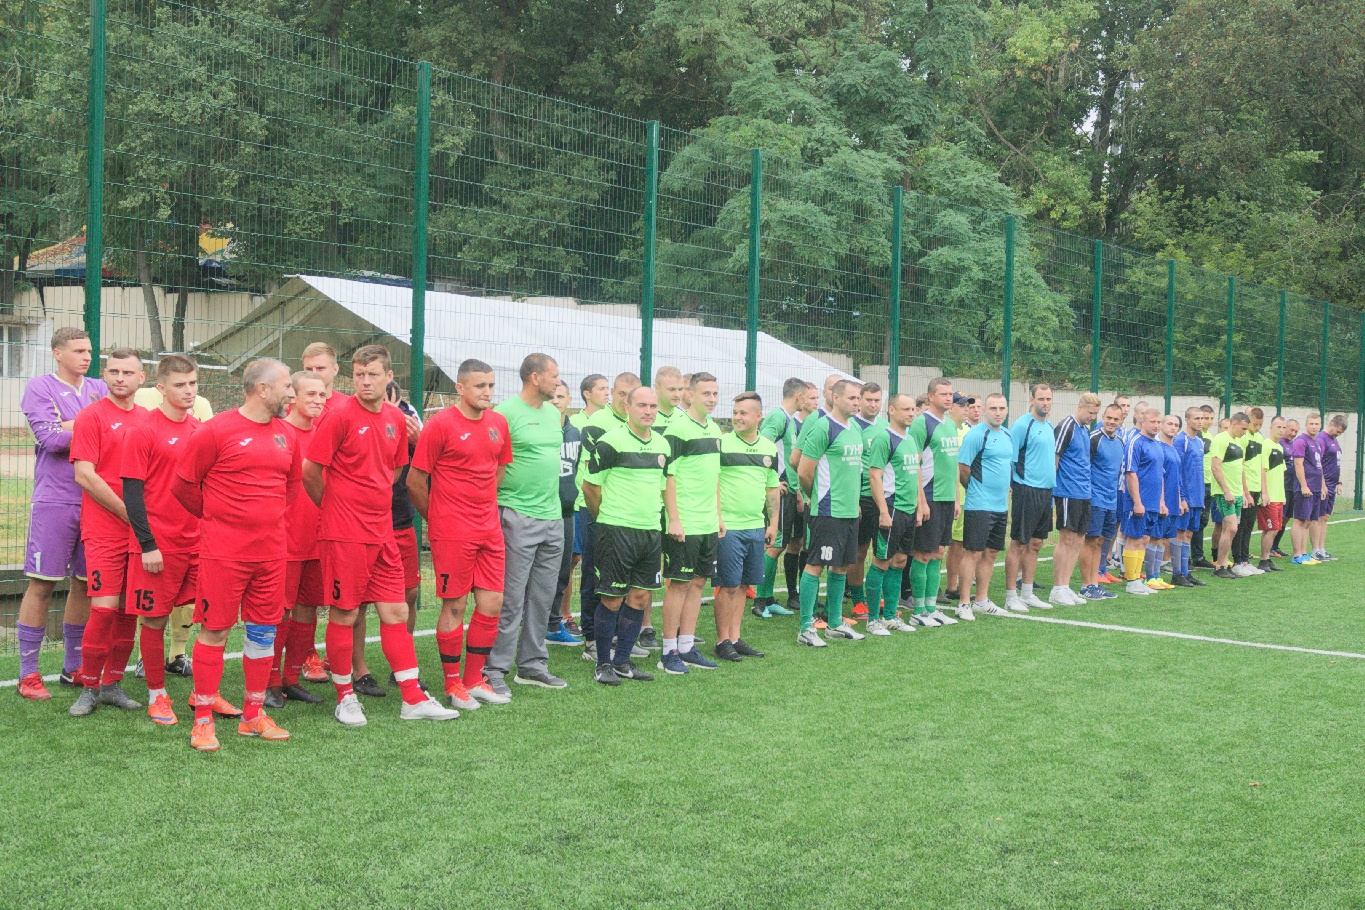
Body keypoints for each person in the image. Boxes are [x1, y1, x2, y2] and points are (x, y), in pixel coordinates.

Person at [307, 346, 456, 726]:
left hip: (383, 531)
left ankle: (412, 698)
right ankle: (345, 697)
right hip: (344, 534)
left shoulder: (395, 418)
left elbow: (396, 469)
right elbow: (310, 471)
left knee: (396, 611)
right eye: (359, 375)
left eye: (372, 374)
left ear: (389, 377)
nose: (365, 381)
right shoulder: (338, 416)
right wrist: (337, 507)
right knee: (345, 613)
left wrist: (371, 499)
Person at [172, 358, 300, 751]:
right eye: (286, 386)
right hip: (224, 554)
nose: (292, 394)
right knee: (215, 630)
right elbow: (183, 486)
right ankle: (203, 720)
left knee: (264, 632)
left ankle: (252, 716)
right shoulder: (216, 430)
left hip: (271, 554)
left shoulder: (288, 435)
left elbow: (291, 489)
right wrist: (220, 519)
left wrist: (263, 522)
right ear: (262, 389)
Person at [407, 358, 515, 713]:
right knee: (454, 605)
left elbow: (498, 470)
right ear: (460, 388)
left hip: (489, 528)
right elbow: (415, 481)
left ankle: (474, 680)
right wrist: (440, 519)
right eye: (480, 386)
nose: (487, 392)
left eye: (491, 385)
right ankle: (453, 684)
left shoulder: (498, 423)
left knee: (492, 603)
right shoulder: (440, 424)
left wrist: (482, 506)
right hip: (453, 531)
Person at [15, 328, 106, 700]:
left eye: (89, 351)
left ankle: (72, 668)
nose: (87, 357)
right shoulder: (40, 387)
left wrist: (71, 425)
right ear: (57, 353)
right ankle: (28, 675)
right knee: (42, 584)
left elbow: (116, 430)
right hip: (55, 500)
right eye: (79, 351)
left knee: (84, 584)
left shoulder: (99, 388)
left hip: (95, 499)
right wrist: (94, 425)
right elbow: (50, 439)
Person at [119, 355, 202, 726]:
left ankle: (205, 693)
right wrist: (147, 544)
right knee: (153, 621)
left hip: (198, 542)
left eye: (192, 383)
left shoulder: (200, 430)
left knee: (211, 618)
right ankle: (157, 695)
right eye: (180, 385)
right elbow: (132, 493)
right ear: (161, 388)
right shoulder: (143, 430)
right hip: (158, 545)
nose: (188, 391)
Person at [67, 348, 147, 717]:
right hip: (104, 530)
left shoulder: (148, 419)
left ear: (141, 378)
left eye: (128, 373)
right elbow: (85, 474)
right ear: (105, 376)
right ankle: (89, 687)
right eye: (113, 371)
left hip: (140, 534)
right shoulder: (92, 416)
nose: (120, 378)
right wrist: (130, 514)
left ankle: (112, 684)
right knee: (103, 610)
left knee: (130, 611)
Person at [484, 353, 570, 693]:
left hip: (553, 517)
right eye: (554, 376)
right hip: (517, 514)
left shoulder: (552, 412)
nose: (558, 382)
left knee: (543, 596)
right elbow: (491, 463)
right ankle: (494, 669)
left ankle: (532, 664)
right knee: (511, 598)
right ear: (535, 377)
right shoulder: (505, 413)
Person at [581, 386, 667, 685]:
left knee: (640, 597)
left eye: (653, 406)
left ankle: (622, 661)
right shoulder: (610, 442)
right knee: (612, 598)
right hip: (615, 530)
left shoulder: (662, 445)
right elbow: (590, 486)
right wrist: (605, 519)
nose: (648, 411)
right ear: (627, 407)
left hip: (650, 532)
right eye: (642, 405)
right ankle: (602, 663)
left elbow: (662, 487)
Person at [348, 380, 425, 699]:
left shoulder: (407, 414)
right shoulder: (350, 415)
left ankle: (402, 668)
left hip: (401, 519)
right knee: (358, 602)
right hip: (362, 525)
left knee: (409, 594)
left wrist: (416, 438)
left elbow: (423, 463)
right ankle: (359, 670)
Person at [264, 371, 328, 708]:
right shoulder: (278, 432)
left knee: (308, 609)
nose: (317, 400)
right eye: (310, 394)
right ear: (293, 397)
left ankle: (291, 679)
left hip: (319, 538)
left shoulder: (326, 434)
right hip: (284, 541)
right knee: (278, 612)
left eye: (322, 394)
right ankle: (269, 681)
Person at [655, 372, 725, 672]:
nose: (711, 399)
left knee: (697, 583)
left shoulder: (716, 429)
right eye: (706, 393)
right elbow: (667, 477)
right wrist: (674, 519)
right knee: (679, 585)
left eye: (715, 393)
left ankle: (686, 647)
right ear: (691, 395)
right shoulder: (677, 429)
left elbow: (715, 476)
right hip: (684, 522)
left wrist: (718, 515)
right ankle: (668, 651)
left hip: (708, 523)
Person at [794, 379, 866, 644]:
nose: (857, 403)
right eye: (852, 398)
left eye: (858, 398)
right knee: (816, 564)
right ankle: (806, 627)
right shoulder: (823, 427)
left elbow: (853, 471)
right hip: (827, 510)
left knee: (842, 565)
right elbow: (803, 471)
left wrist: (855, 502)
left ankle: (835, 622)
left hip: (849, 511)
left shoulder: (855, 427)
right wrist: (816, 497)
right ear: (836, 398)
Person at [574, 372, 639, 663]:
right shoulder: (597, 423)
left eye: (631, 395)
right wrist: (600, 512)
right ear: (612, 393)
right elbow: (592, 475)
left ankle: (617, 636)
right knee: (594, 572)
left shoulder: (637, 423)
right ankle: (591, 637)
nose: (626, 400)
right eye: (622, 394)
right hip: (596, 509)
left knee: (624, 577)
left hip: (626, 514)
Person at [713, 391, 779, 659]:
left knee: (743, 585)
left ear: (758, 416)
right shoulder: (722, 444)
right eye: (735, 412)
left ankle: (735, 637)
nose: (737, 417)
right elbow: (713, 482)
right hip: (729, 526)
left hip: (755, 526)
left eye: (743, 413)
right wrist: (717, 517)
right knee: (728, 585)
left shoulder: (769, 448)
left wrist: (773, 523)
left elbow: (772, 488)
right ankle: (721, 641)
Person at [862, 392, 924, 631]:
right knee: (881, 561)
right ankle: (873, 620)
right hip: (892, 507)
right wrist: (883, 511)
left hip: (908, 510)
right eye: (906, 409)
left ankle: (890, 616)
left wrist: (919, 506)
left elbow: (915, 474)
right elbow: (874, 475)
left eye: (913, 409)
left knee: (900, 561)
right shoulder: (884, 439)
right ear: (892, 410)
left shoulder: (910, 439)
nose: (911, 413)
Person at [903, 380, 962, 626]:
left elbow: (953, 464)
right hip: (930, 496)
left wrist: (956, 498)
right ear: (930, 396)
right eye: (943, 394)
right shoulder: (921, 423)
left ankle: (931, 607)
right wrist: (921, 501)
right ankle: (918, 611)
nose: (948, 398)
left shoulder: (950, 424)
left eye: (950, 394)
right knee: (923, 553)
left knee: (938, 552)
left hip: (947, 498)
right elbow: (914, 463)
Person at [956, 392, 1014, 617]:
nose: (998, 413)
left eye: (1002, 408)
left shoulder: (1007, 434)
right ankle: (963, 603)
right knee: (972, 552)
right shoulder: (976, 435)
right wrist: (975, 490)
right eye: (993, 409)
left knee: (991, 553)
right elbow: (963, 468)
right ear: (984, 411)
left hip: (1001, 506)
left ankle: (981, 600)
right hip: (979, 505)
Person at [753, 377, 805, 619]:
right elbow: (761, 446)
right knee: (774, 545)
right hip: (779, 492)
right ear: (798, 396)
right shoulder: (778, 417)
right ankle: (759, 601)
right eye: (806, 396)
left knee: (780, 545)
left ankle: (769, 598)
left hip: (790, 491)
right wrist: (772, 481)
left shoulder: (790, 420)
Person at [1005, 384, 1056, 612]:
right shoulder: (1022, 425)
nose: (1045, 403)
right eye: (1041, 398)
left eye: (1048, 399)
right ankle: (1010, 596)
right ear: (1032, 399)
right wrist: (1013, 485)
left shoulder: (1049, 425)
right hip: (1026, 490)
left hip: (1046, 491)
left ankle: (1027, 593)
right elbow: (1010, 458)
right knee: (1019, 543)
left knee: (1036, 543)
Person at [1049, 392, 1100, 605]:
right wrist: (1051, 491)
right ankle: (1057, 588)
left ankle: (1066, 586)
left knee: (1079, 539)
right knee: (1067, 538)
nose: (1092, 417)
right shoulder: (1066, 426)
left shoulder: (1085, 430)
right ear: (1080, 407)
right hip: (1067, 492)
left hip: (1084, 492)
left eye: (1095, 414)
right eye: (1090, 413)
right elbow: (1054, 459)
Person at [549, 379, 586, 644]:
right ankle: (528, 624)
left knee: (563, 572)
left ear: (569, 400)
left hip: (566, 511)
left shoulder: (575, 434)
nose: (555, 401)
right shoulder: (537, 431)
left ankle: (553, 625)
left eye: (560, 397)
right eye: (551, 397)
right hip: (540, 511)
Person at [1079, 404, 1124, 600]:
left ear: (1121, 421)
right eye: (1109, 418)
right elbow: (1083, 467)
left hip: (1111, 501)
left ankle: (1095, 583)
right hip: (1095, 499)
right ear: (1103, 417)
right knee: (1090, 541)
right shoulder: (1094, 439)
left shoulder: (1120, 442)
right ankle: (1085, 586)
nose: (1111, 422)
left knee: (1100, 542)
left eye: (1116, 419)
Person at [1119, 406, 1164, 595]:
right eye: (1152, 422)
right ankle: (1131, 581)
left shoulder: (1157, 444)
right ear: (1143, 421)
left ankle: (1138, 578)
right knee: (1135, 538)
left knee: (1144, 539)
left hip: (1152, 502)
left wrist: (1161, 501)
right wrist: (1137, 501)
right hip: (1138, 501)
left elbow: (1160, 475)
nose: (1156, 425)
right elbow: (1130, 473)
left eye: (1158, 422)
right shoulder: (1136, 442)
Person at [848, 380, 883, 619]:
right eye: (868, 400)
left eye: (877, 400)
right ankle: (858, 600)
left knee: (883, 552)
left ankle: (874, 596)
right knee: (859, 552)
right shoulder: (851, 426)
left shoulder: (886, 427)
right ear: (859, 400)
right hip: (861, 497)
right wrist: (855, 499)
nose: (872, 404)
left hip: (883, 497)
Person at [943, 395, 981, 607]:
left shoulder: (970, 431)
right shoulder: (945, 429)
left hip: (967, 496)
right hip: (947, 495)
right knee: (942, 544)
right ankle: (941, 586)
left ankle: (953, 586)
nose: (967, 409)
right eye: (962, 405)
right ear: (951, 408)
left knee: (959, 542)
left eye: (968, 405)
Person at [1169, 407, 1208, 588]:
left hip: (1197, 496)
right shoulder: (1181, 440)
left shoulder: (1199, 441)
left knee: (1190, 533)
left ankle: (1185, 571)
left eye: (1202, 418)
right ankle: (1177, 573)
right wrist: (1181, 497)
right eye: (1196, 418)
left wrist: (1200, 497)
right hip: (1186, 496)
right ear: (1187, 420)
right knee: (1180, 532)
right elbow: (1177, 470)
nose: (1200, 421)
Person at [1210, 412, 1251, 579]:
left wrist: (1245, 493)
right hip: (1224, 493)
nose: (1245, 432)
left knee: (1232, 530)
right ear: (1234, 424)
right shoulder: (1221, 439)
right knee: (1231, 527)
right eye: (1243, 428)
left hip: (1237, 493)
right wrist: (1226, 490)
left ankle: (1225, 564)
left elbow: (1240, 469)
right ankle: (1219, 566)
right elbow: (1215, 467)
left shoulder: (1238, 442)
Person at [1229, 407, 1267, 575]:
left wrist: (1263, 490)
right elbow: (1241, 465)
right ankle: (1237, 561)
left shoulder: (1259, 438)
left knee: (1249, 525)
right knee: (1240, 525)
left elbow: (1261, 466)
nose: (1257, 428)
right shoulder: (1242, 438)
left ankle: (1245, 560)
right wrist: (1245, 492)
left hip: (1256, 487)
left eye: (1260, 425)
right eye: (1255, 424)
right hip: (1245, 488)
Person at [1155, 415, 1188, 586]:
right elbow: (1159, 476)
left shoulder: (1173, 449)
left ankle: (1178, 573)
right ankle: (1152, 576)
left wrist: (1181, 499)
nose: (1173, 427)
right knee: (1156, 538)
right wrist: (1161, 501)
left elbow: (1178, 477)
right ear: (1161, 426)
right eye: (1169, 423)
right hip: (1162, 500)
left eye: (1176, 425)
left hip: (1174, 501)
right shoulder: (1158, 447)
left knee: (1170, 536)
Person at [1289, 412, 1325, 566]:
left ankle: (1304, 553)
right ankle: (1297, 555)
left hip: (1315, 488)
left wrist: (1322, 486)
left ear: (1320, 425)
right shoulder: (1301, 441)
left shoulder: (1317, 443)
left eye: (1316, 424)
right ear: (1306, 425)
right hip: (1305, 488)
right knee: (1299, 520)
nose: (1314, 426)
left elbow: (1319, 466)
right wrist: (1304, 485)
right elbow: (1298, 464)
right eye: (1311, 424)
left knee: (1308, 521)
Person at [1256, 415, 1288, 572]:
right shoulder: (1266, 445)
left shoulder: (1279, 447)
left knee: (1273, 529)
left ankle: (1266, 559)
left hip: (1278, 496)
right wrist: (1265, 492)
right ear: (1271, 427)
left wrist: (1283, 495)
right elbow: (1262, 470)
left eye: (1283, 427)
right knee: (1272, 529)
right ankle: (1263, 560)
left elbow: (1280, 473)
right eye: (1278, 427)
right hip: (1270, 496)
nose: (1281, 430)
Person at [1314, 414, 1346, 561]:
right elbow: (1318, 463)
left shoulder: (1334, 440)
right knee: (1319, 517)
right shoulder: (1321, 439)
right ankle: (1315, 550)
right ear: (1332, 424)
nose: (1338, 434)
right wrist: (1322, 484)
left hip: (1333, 484)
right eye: (1338, 431)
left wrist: (1339, 482)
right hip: (1324, 484)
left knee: (1325, 517)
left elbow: (1335, 463)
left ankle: (1322, 548)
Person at [1270, 418, 1299, 558]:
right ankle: (1270, 547)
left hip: (1292, 486)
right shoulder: (1279, 443)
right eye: (1291, 430)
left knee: (1286, 517)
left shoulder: (1294, 444)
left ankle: (1275, 546)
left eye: (1296, 431)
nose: (1293, 433)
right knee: (1278, 517)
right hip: (1281, 486)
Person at [300, 341, 351, 415]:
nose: (314, 374)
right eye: (309, 369)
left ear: (335, 369)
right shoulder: (293, 406)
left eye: (320, 368)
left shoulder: (347, 406)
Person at [653, 365, 686, 430]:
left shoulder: (684, 417)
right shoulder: (645, 416)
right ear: (657, 388)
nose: (677, 394)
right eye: (671, 389)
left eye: (680, 389)